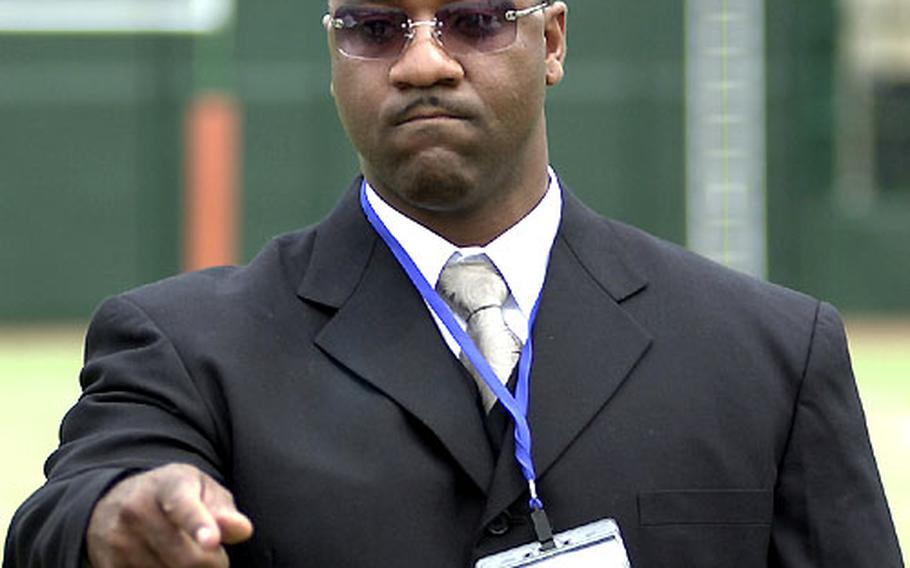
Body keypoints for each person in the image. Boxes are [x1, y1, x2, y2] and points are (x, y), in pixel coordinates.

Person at [4, 0, 903, 566]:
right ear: (333, 55)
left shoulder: (773, 354)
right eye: (374, 27)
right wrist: (115, 519)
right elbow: (62, 518)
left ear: (550, 41)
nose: (424, 60)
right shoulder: (188, 348)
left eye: (474, 20)